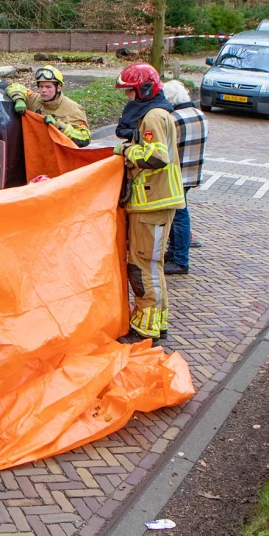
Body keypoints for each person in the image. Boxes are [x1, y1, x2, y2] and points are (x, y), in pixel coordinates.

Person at [113, 63, 185, 342]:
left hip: (152, 203)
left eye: (129, 92)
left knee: (142, 266)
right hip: (155, 202)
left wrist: (127, 151)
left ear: (143, 89)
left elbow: (157, 157)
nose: (127, 98)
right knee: (151, 265)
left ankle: (145, 329)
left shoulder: (153, 116)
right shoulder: (157, 112)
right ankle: (158, 323)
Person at [161, 80, 207, 276]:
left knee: (179, 216)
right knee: (179, 214)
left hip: (177, 173)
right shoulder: (199, 115)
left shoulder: (174, 119)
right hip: (192, 172)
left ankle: (180, 259)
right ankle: (174, 254)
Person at [4, 66, 92, 146]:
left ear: (59, 87)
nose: (43, 90)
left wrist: (58, 125)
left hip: (59, 158)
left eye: (48, 87)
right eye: (41, 86)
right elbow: (14, 86)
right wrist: (19, 99)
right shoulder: (34, 99)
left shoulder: (73, 108)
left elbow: (84, 138)